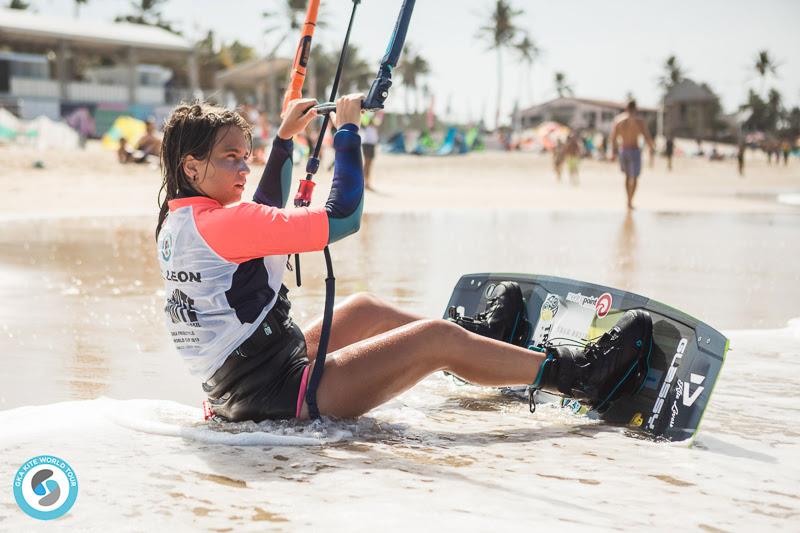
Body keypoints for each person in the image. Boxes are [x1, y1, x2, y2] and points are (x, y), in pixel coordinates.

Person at [155, 95, 654, 423]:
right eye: (230, 158)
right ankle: (579, 376)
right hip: (279, 395)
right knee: (433, 339)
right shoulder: (225, 223)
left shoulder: (178, 222)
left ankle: (477, 350)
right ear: (191, 166)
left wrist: (284, 141)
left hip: (240, 387)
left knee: (366, 309)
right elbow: (344, 217)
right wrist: (347, 133)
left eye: (246, 155)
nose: (244, 167)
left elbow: (259, 213)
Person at [610, 99, 656, 210]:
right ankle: (630, 200)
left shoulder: (619, 120)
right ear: (635, 108)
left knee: (627, 176)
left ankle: (628, 200)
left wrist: (613, 152)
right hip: (634, 150)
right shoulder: (638, 121)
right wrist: (652, 148)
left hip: (623, 150)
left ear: (626, 108)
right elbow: (647, 136)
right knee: (634, 177)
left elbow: (613, 138)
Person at [361, 112, 380, 190]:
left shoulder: (375, 122)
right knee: (367, 164)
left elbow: (378, 122)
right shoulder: (366, 121)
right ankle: (365, 182)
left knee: (369, 164)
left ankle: (367, 182)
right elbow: (364, 121)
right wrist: (370, 117)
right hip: (367, 143)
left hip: (372, 144)